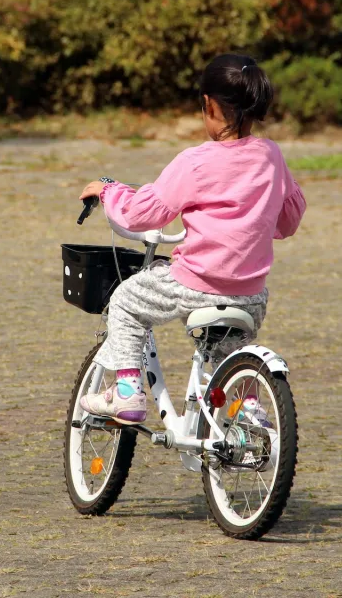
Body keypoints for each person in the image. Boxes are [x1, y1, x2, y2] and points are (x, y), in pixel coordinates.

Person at [77, 53, 307, 425]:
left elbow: (142, 214)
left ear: (209, 105)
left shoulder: (196, 161)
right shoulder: (271, 155)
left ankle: (126, 393)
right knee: (227, 350)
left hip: (195, 285)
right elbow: (289, 220)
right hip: (250, 295)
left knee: (125, 302)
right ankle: (247, 411)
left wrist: (110, 193)